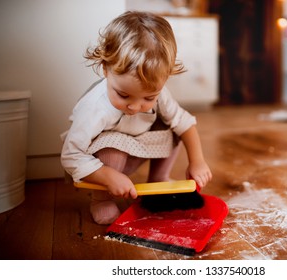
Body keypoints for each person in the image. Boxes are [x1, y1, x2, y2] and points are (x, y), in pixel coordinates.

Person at [61, 11, 212, 225]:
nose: (134, 107)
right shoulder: (95, 107)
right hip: (104, 160)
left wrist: (197, 162)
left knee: (173, 128)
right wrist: (107, 176)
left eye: (149, 97)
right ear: (105, 68)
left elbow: (185, 123)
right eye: (123, 95)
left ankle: (158, 180)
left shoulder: (160, 94)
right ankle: (100, 199)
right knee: (111, 152)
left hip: (138, 145)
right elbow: (70, 155)